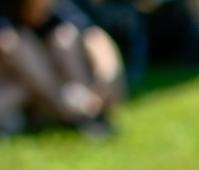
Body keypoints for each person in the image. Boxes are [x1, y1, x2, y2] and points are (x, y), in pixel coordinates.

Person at [0, 0, 122, 136]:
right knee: (17, 45)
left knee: (65, 38)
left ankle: (84, 104)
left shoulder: (56, 6)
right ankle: (77, 111)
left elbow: (93, 36)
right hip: (14, 83)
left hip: (50, 83)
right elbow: (8, 45)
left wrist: (107, 76)